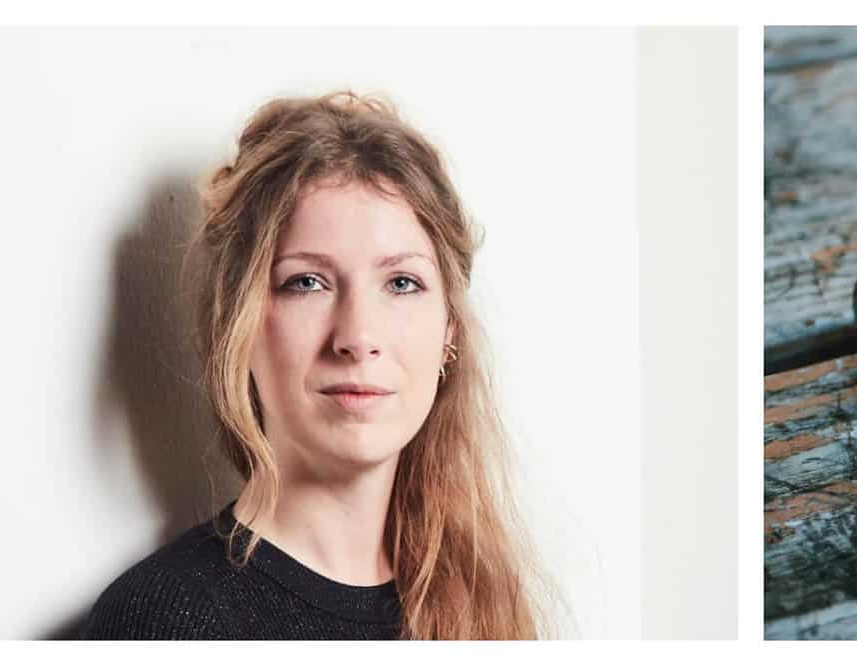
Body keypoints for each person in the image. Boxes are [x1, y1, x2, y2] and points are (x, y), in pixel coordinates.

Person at [84, 91, 543, 640]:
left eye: (401, 283)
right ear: (240, 326)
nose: (358, 337)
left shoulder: (479, 601)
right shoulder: (167, 622)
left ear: (449, 332)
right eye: (308, 282)